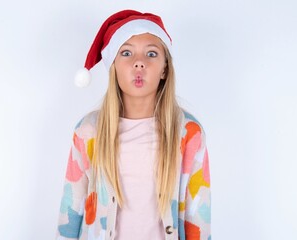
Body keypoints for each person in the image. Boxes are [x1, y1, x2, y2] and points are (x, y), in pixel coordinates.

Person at [56, 9, 211, 240]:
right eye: (126, 53)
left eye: (151, 53)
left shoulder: (188, 133)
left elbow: (198, 215)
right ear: (114, 67)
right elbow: (71, 210)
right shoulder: (88, 132)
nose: (139, 63)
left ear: (164, 69)